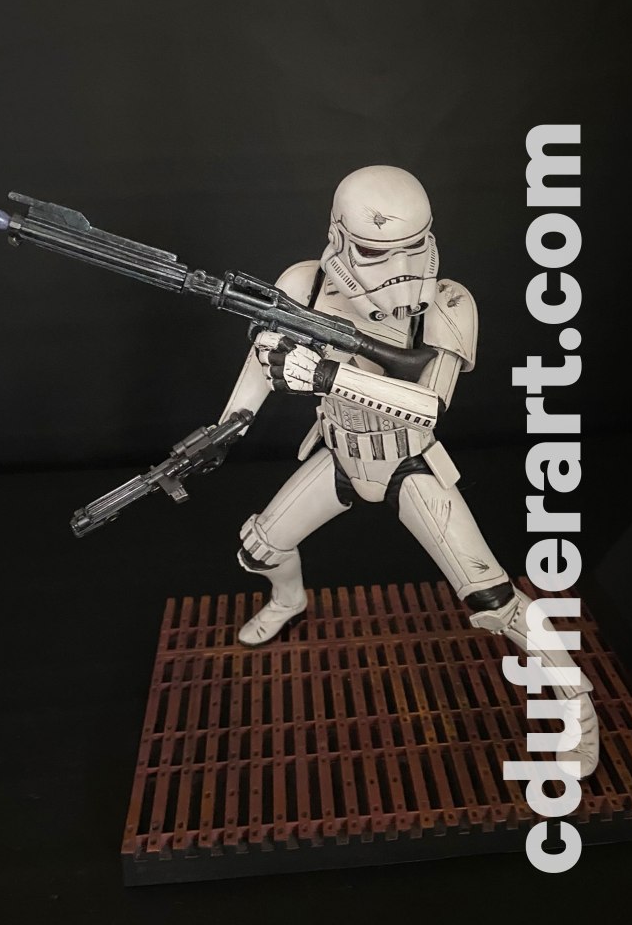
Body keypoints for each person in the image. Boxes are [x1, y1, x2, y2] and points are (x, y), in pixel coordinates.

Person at [218, 165, 599, 777]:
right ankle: (289, 599)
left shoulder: (448, 303)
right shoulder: (303, 286)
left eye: (413, 247)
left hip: (408, 462)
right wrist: (226, 428)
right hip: (339, 454)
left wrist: (327, 375)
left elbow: (429, 405)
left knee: (494, 598)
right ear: (338, 237)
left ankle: (578, 704)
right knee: (259, 549)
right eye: (376, 251)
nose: (398, 268)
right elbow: (263, 362)